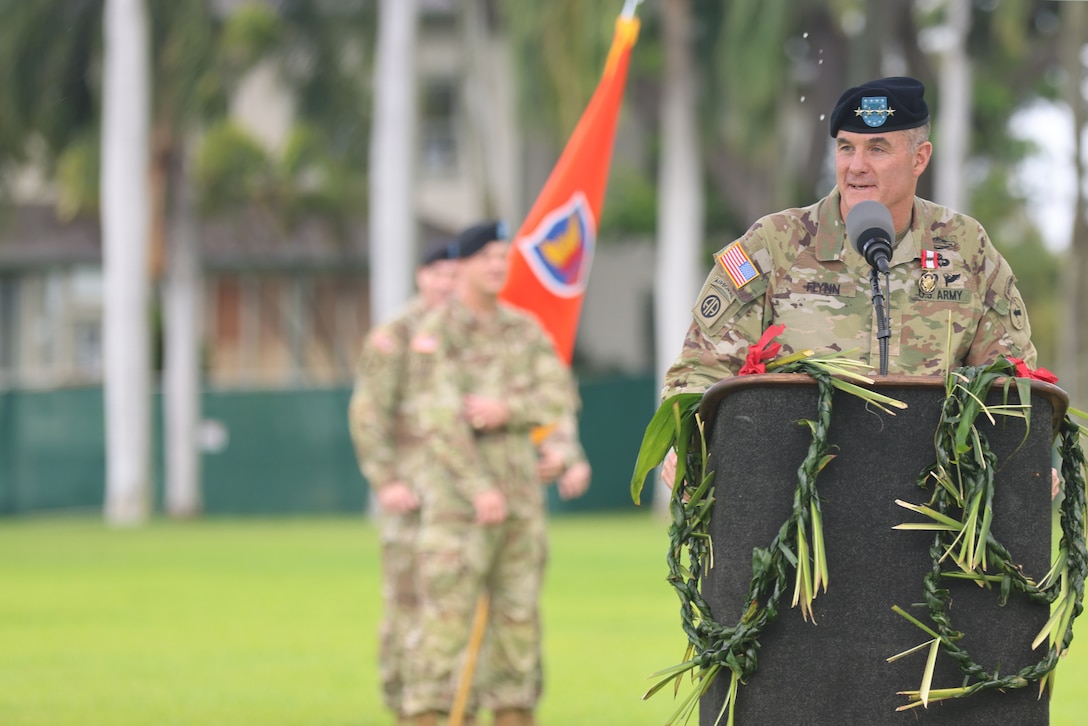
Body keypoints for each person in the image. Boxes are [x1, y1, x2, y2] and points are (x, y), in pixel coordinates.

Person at [659, 75, 1040, 486]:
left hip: (930, 502)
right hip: (796, 503)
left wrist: (1029, 457)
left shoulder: (966, 247)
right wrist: (688, 446)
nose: (856, 166)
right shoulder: (775, 243)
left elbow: (1010, 381)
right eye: (846, 148)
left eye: (877, 149)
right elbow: (701, 371)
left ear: (920, 158)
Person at [399, 221, 579, 726]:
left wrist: (508, 410)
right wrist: (479, 489)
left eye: (504, 258)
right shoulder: (437, 334)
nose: (499, 267)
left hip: (520, 508)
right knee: (442, 635)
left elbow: (557, 397)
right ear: (463, 267)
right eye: (488, 259)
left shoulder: (523, 330)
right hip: (458, 511)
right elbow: (438, 419)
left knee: (518, 638)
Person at [347, 240, 459, 725]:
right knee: (408, 606)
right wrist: (385, 480)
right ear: (422, 276)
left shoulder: (471, 334)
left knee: (458, 606)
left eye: (456, 274)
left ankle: (456, 704)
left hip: (461, 499)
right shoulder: (396, 335)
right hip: (412, 497)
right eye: (439, 273)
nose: (447, 283)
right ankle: (404, 705)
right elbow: (368, 413)